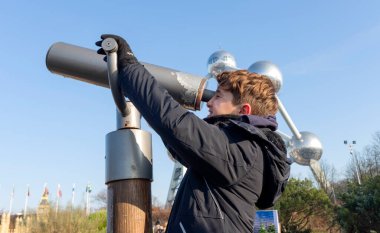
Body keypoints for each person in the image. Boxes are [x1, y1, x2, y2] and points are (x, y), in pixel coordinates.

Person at [96, 34, 288, 233]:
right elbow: (176, 136)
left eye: (219, 97)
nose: (210, 103)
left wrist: (129, 66)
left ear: (243, 110)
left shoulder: (241, 149)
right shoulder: (242, 152)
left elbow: (175, 123)